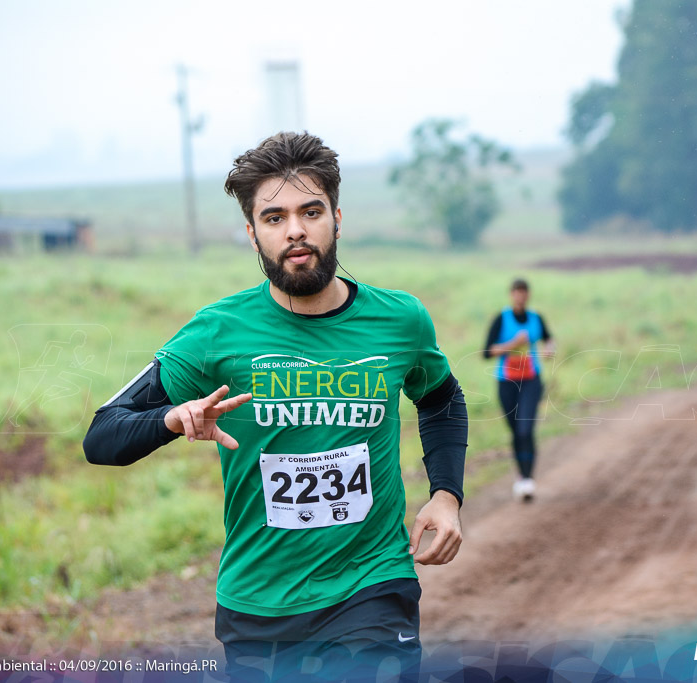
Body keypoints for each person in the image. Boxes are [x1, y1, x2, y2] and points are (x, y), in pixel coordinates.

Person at [83, 132, 468, 679]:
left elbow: (442, 399)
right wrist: (172, 418)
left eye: (311, 211)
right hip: (259, 601)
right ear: (252, 233)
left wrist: (447, 495)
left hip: (372, 584)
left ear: (337, 217)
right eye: (274, 217)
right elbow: (102, 437)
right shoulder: (218, 332)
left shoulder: (400, 320)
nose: (295, 230)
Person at [483, 279, 555, 503]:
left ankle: (527, 478)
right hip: (506, 382)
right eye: (517, 292)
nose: (520, 296)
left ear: (528, 295)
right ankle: (521, 475)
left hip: (531, 381)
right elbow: (488, 351)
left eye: (524, 293)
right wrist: (513, 344)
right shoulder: (501, 319)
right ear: (512, 294)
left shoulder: (536, 318)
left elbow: (548, 338)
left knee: (525, 429)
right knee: (516, 431)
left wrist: (549, 349)